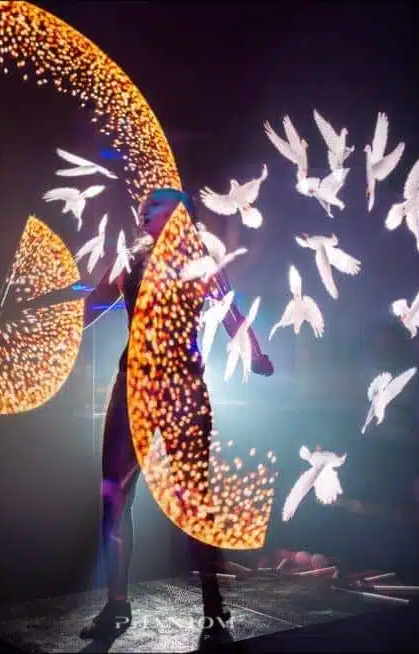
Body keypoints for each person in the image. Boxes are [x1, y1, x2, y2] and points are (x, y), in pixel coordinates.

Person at [77, 188, 274, 638]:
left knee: (192, 500)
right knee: (113, 494)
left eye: (156, 204)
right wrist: (57, 324)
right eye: (144, 204)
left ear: (181, 215)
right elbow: (91, 306)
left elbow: (232, 316)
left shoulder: (199, 262)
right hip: (133, 386)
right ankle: (116, 605)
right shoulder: (130, 259)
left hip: (182, 390)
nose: (144, 208)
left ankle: (213, 606)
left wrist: (256, 354)